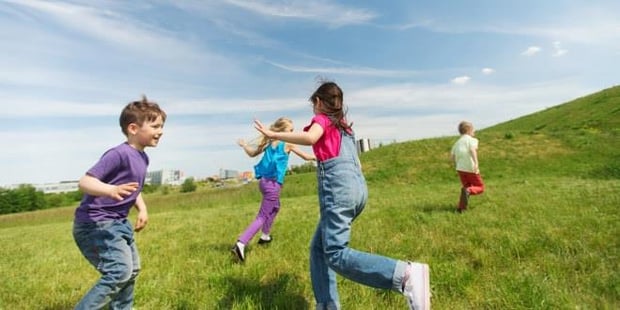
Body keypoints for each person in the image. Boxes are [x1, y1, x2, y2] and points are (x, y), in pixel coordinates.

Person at [254, 81, 430, 310]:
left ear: (318, 102)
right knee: (319, 249)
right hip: (357, 191)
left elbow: (310, 138)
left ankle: (405, 275)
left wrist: (272, 133)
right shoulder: (344, 127)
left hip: (338, 192)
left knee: (335, 253)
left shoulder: (321, 120)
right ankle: (327, 305)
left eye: (313, 105)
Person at [72, 96, 166, 310]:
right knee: (119, 272)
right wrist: (110, 189)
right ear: (133, 128)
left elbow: (133, 188)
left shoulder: (142, 157)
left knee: (131, 270)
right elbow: (85, 182)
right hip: (96, 225)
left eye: (162, 126)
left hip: (118, 222)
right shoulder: (119, 154)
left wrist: (142, 208)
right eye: (155, 126)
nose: (160, 131)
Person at [232, 117, 315, 262]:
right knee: (262, 216)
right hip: (273, 185)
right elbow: (306, 157)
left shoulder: (269, 142)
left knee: (275, 207)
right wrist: (320, 156)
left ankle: (265, 237)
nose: (292, 133)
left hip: (263, 183)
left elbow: (252, 154)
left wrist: (244, 145)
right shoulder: (288, 143)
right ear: (283, 130)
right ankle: (241, 243)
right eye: (291, 130)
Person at [450, 121, 485, 213]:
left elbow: (452, 157)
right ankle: (468, 191)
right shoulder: (472, 140)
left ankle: (461, 209)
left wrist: (456, 165)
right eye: (473, 130)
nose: (474, 131)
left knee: (466, 187)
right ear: (469, 130)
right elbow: (472, 150)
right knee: (480, 187)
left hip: (460, 169)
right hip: (470, 168)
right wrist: (476, 163)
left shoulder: (456, 143)